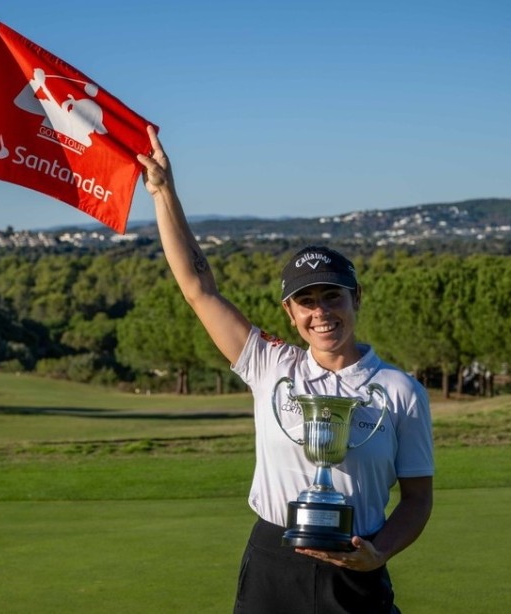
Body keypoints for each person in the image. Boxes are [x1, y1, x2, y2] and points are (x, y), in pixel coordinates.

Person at [136, 126, 434, 614]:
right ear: (290, 314)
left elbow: (418, 500)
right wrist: (165, 191)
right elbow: (198, 288)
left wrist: (378, 554)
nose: (321, 313)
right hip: (272, 564)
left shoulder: (400, 391)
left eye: (332, 297)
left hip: (355, 567)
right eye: (306, 302)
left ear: (355, 299)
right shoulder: (269, 364)